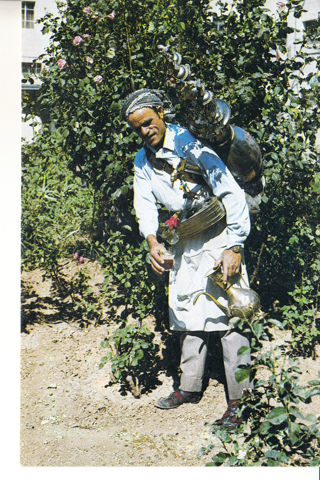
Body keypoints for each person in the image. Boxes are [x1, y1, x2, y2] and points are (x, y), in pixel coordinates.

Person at [121, 88, 253, 428]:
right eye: (137, 128)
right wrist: (152, 240)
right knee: (186, 312)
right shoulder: (143, 159)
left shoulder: (191, 145)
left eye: (148, 123)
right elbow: (145, 204)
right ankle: (189, 387)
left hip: (219, 234)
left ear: (162, 113)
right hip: (184, 238)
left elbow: (230, 192)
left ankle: (241, 401)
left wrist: (235, 245)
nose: (144, 131)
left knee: (231, 316)